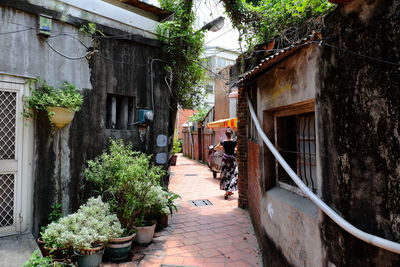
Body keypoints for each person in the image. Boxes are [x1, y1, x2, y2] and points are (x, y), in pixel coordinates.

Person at [215, 128, 238, 199]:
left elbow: (216, 148)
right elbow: (237, 149)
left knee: (225, 175)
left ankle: (227, 191)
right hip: (232, 161)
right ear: (231, 134)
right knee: (233, 175)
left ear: (226, 134)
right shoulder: (234, 142)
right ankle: (229, 190)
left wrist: (222, 147)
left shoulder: (223, 142)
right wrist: (234, 149)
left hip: (225, 161)